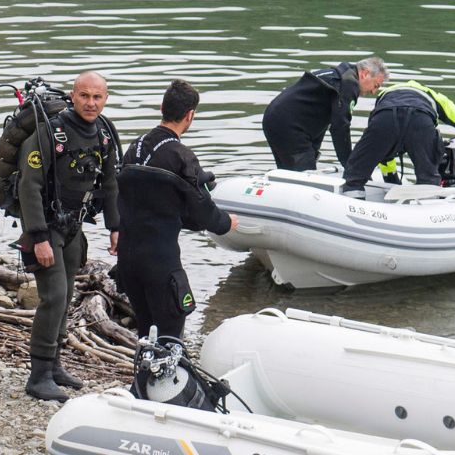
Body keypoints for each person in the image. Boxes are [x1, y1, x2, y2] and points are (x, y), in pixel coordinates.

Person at [19, 71, 120, 403]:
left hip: (73, 226)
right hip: (45, 227)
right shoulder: (51, 131)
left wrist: (115, 226)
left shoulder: (104, 132)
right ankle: (39, 376)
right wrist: (37, 237)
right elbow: (29, 185)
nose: (91, 103)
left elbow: (109, 183)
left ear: (105, 98)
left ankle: (55, 364)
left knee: (67, 297)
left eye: (98, 97)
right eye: (85, 96)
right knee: (54, 297)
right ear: (73, 96)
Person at [113, 80, 235, 346]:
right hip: (160, 261)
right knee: (171, 336)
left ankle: (141, 385)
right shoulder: (182, 156)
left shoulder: (136, 146)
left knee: (145, 334)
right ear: (190, 115)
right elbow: (203, 212)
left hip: (129, 259)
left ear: (162, 107)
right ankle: (167, 385)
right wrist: (228, 223)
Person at [341, 79, 455, 196]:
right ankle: (429, 201)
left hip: (385, 118)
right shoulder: (435, 97)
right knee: (429, 178)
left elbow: (380, 150)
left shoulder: (383, 96)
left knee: (354, 175)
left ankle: (352, 196)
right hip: (420, 121)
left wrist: (391, 179)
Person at [262, 56, 388, 172]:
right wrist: (351, 166)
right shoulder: (348, 84)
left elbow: (322, 114)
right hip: (289, 124)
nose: (373, 91)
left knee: (291, 169)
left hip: (276, 117)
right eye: (375, 85)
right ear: (365, 73)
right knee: (304, 175)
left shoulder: (339, 74)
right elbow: (340, 127)